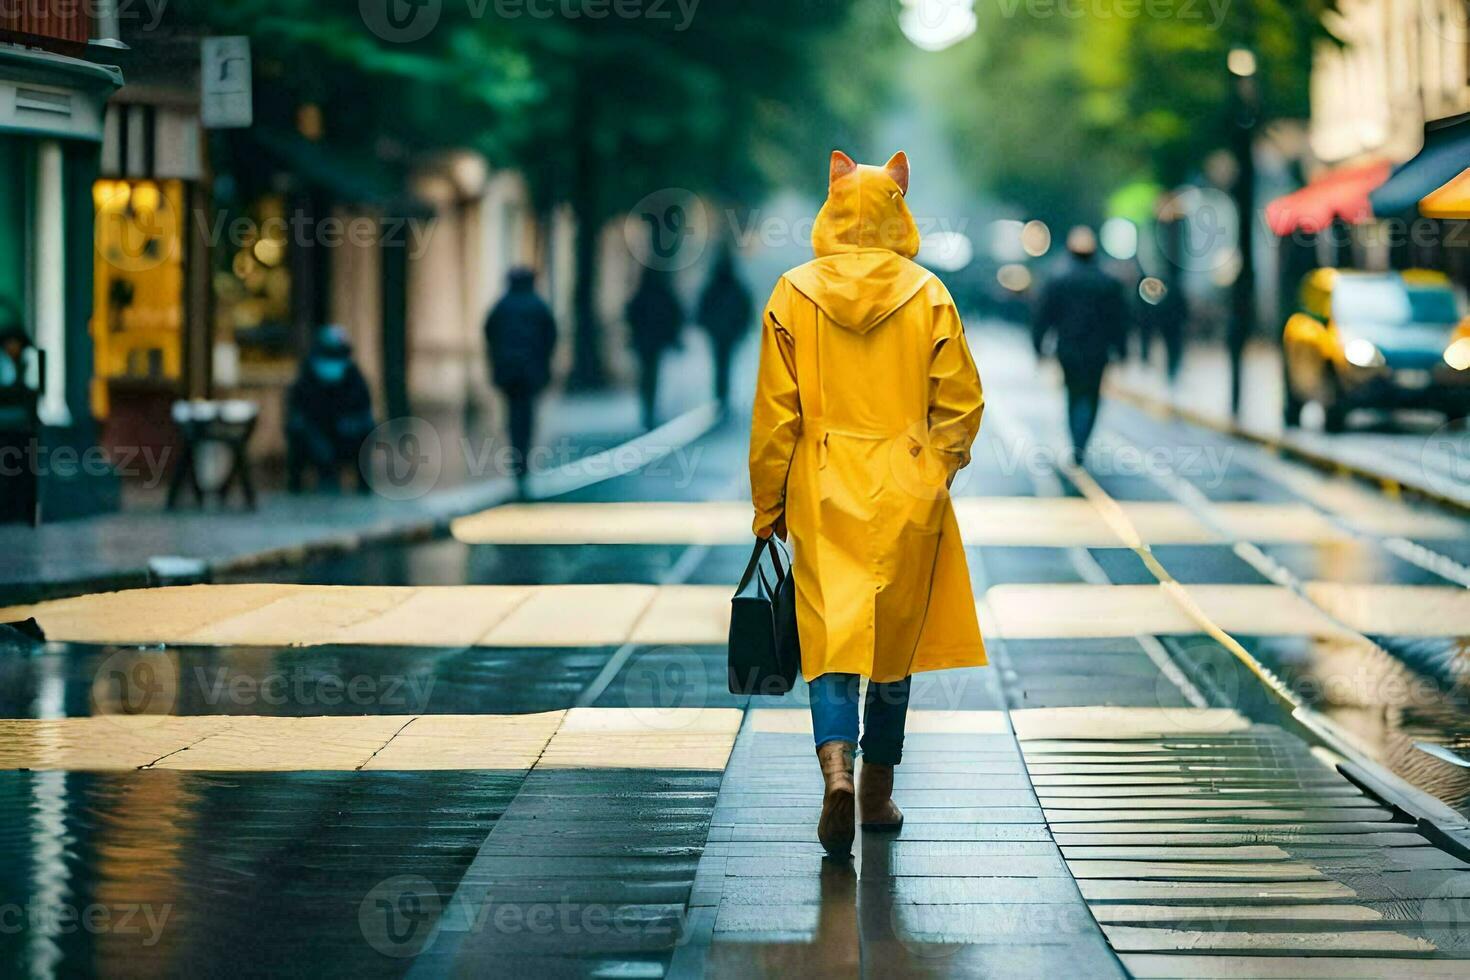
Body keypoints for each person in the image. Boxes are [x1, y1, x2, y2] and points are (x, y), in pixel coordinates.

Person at [749, 150, 986, 859]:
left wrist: (769, 505)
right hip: (907, 484)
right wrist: (935, 468)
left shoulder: (792, 292)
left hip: (822, 485)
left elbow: (775, 416)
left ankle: (836, 773)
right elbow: (962, 404)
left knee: (829, 642)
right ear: (897, 201)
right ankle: (878, 792)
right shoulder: (929, 293)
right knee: (892, 642)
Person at [1032, 226, 1129, 461]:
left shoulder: (1058, 279)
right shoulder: (1108, 282)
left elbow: (1042, 315)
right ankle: (1082, 440)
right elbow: (1120, 320)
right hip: (1098, 350)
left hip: (1068, 349)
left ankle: (1077, 439)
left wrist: (1039, 347)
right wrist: (1122, 350)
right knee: (1092, 395)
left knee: (1073, 394)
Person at [484, 267, 558, 496]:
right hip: (530, 373)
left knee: (513, 415)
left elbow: (489, 332)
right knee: (526, 417)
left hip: (508, 372)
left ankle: (517, 460)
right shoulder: (538, 306)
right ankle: (522, 461)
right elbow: (551, 336)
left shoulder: (502, 306)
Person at [286, 325, 376, 493]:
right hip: (315, 438)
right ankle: (301, 481)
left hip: (345, 437)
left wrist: (352, 425)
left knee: (367, 429)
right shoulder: (307, 377)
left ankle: (363, 483)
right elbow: (297, 413)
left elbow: (364, 410)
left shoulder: (353, 376)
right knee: (298, 431)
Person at [625, 268, 684, 430]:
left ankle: (648, 409)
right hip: (654, 341)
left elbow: (631, 313)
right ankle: (649, 408)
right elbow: (674, 313)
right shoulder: (661, 294)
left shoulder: (642, 295)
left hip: (645, 342)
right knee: (651, 374)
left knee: (647, 374)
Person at [696, 246, 754, 406]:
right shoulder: (736, 287)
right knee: (725, 361)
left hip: (717, 331)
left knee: (720, 361)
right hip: (729, 332)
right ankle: (723, 394)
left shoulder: (713, 286)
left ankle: (720, 394)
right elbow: (745, 308)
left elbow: (704, 307)